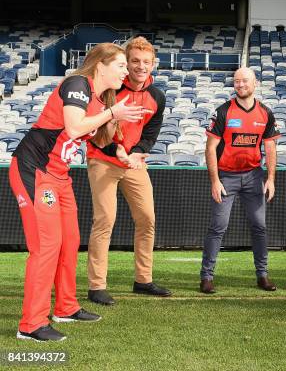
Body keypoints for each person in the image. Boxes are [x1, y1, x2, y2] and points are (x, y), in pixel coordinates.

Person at [9, 43, 148, 341]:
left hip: (59, 176)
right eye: (121, 65)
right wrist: (113, 112)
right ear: (101, 64)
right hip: (34, 171)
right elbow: (73, 129)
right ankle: (31, 324)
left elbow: (94, 141)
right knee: (46, 246)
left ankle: (66, 307)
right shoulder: (77, 83)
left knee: (70, 241)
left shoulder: (99, 100)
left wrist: (123, 154)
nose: (127, 70)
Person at [86, 37, 170, 306]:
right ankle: (96, 286)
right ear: (127, 63)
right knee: (105, 220)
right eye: (135, 61)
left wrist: (138, 153)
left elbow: (151, 133)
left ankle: (143, 280)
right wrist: (116, 151)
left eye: (146, 62)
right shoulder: (111, 89)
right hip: (103, 159)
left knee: (147, 219)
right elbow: (93, 132)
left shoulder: (157, 96)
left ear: (153, 64)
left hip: (134, 164)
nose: (140, 66)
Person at [199, 67, 280, 294]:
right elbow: (210, 148)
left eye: (245, 81)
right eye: (236, 81)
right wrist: (215, 181)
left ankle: (262, 275)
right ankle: (206, 277)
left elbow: (271, 147)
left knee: (259, 227)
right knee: (218, 227)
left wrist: (270, 179)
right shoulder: (223, 111)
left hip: (254, 177)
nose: (240, 85)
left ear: (255, 83)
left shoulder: (265, 113)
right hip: (226, 177)